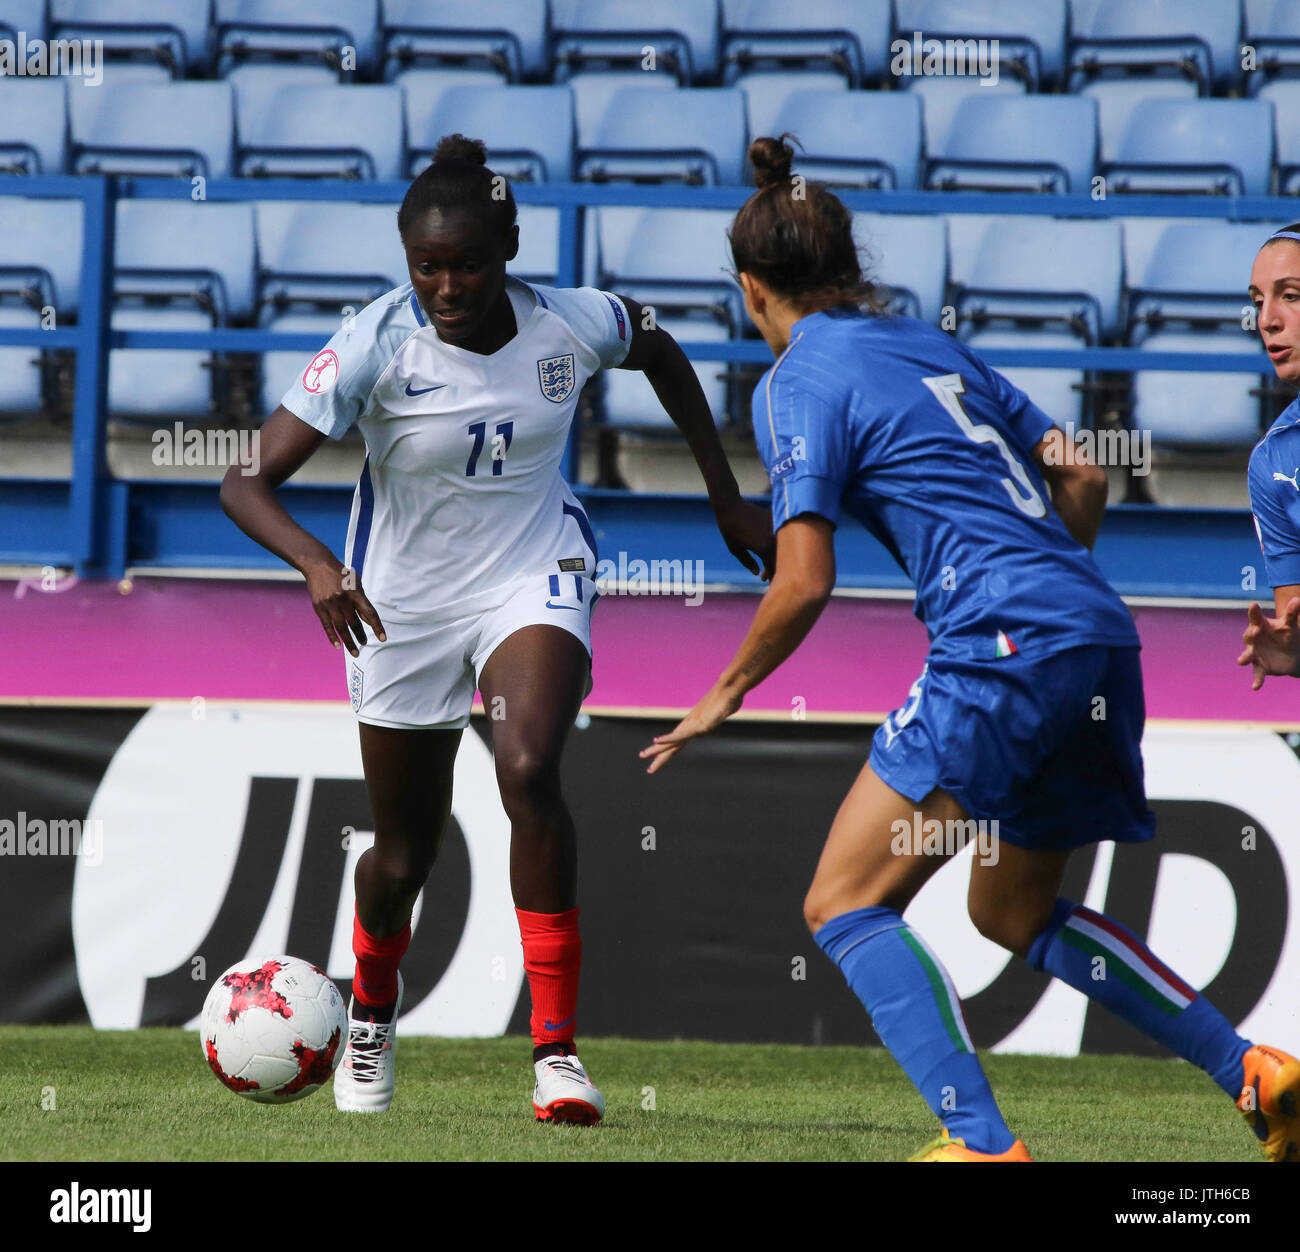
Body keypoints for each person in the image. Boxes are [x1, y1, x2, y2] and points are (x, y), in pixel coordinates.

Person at [642, 135, 1300, 1162]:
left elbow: (801, 578)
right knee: (1012, 907)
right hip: (1095, 633)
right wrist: (1046, 592)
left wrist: (721, 691)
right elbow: (1081, 475)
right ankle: (1255, 1073)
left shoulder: (796, 381)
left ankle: (980, 1145)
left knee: (844, 904)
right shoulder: (921, 340)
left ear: (748, 290)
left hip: (1003, 645)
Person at [221, 134, 773, 1123]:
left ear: (508, 245)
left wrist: (728, 499)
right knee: (403, 851)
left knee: (528, 766)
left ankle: (556, 1055)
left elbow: (661, 351)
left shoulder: (571, 320)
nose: (446, 283)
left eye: (467, 262)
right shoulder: (372, 343)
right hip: (400, 604)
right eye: (427, 264)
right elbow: (243, 479)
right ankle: (373, 1019)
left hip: (532, 572)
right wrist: (315, 563)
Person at [1242, 224, 1300, 688]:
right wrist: (1292, 653)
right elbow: (1292, 621)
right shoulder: (1272, 460)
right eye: (1259, 301)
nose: (1267, 319)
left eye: (1291, 296)